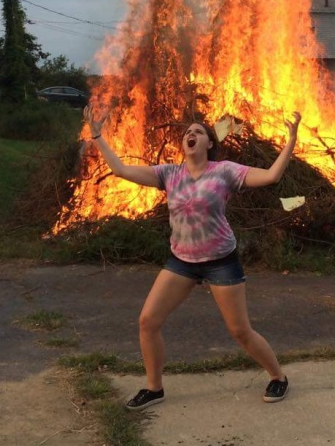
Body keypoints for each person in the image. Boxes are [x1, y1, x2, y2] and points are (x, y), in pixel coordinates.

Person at [83, 106, 301, 410]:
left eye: (198, 131)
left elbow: (272, 176)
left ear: (209, 143)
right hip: (182, 261)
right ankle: (154, 388)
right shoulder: (169, 173)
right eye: (188, 132)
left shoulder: (224, 171)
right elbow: (121, 170)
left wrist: (291, 140)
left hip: (220, 261)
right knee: (148, 321)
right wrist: (97, 136)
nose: (191, 134)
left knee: (239, 330)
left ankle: (278, 377)